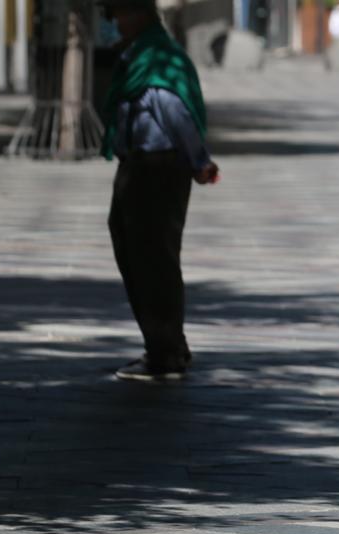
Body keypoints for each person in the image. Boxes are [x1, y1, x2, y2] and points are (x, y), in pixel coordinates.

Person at [100, 0, 219, 382]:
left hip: (155, 168)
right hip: (142, 165)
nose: (115, 23)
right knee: (141, 253)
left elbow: (174, 111)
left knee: (151, 259)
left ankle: (164, 352)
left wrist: (199, 160)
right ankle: (168, 345)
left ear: (139, 16)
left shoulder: (154, 61)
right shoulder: (146, 55)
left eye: (119, 15)